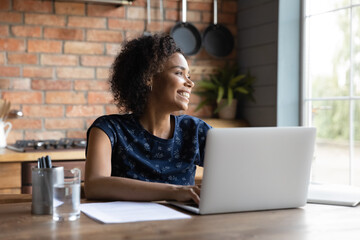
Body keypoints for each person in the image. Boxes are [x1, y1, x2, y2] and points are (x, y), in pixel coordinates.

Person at [84, 34, 212, 204]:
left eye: (189, 76)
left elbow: (239, 172)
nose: (190, 83)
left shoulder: (195, 131)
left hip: (183, 226)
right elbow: (95, 185)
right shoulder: (108, 130)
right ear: (148, 77)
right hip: (124, 226)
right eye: (179, 73)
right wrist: (175, 191)